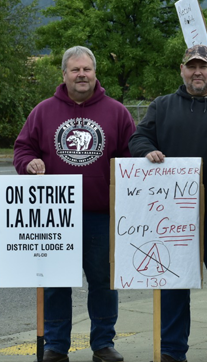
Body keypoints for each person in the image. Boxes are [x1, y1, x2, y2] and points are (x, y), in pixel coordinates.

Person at [13, 46, 135, 362]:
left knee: (104, 284)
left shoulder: (117, 112)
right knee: (55, 285)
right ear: (64, 74)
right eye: (75, 69)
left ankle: (103, 344)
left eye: (87, 69)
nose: (81, 75)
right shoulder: (43, 111)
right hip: (56, 216)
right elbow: (22, 149)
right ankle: (55, 346)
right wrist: (29, 164)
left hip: (101, 214)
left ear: (95, 73)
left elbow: (130, 158)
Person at [128, 45, 207, 362]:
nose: (197, 72)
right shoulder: (162, 106)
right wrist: (146, 152)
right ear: (182, 70)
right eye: (191, 66)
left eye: (203, 66)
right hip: (174, 217)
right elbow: (138, 138)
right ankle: (171, 350)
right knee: (172, 286)